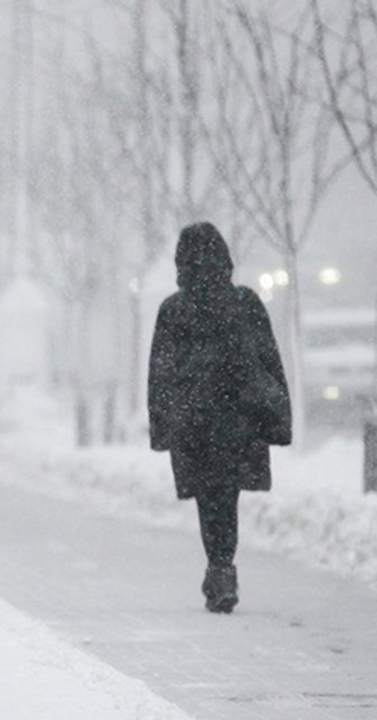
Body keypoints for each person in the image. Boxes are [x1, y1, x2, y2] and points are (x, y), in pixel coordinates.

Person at [148, 222, 291, 614]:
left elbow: (161, 373)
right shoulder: (245, 302)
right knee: (226, 496)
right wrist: (277, 417)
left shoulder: (174, 310)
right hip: (237, 421)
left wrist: (162, 425)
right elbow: (269, 362)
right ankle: (222, 567)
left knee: (211, 499)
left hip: (194, 424)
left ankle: (220, 567)